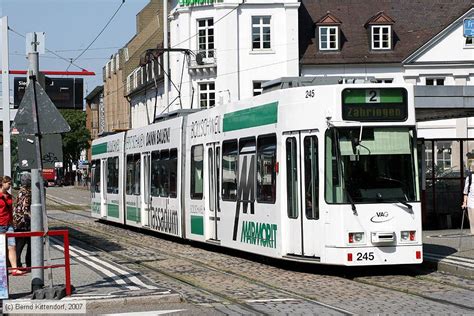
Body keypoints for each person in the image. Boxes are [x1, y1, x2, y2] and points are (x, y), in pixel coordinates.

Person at [0, 176, 25, 276]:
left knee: (12, 246)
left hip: (9, 224)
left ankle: (14, 269)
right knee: (1, 248)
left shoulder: (9, 196)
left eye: (10, 183)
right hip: (0, 224)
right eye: (8, 183)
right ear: (2, 183)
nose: (10, 185)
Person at [13, 173, 32, 270]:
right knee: (29, 244)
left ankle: (18, 264)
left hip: (18, 221)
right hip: (25, 223)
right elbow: (26, 208)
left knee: (19, 244)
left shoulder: (20, 191)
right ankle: (28, 264)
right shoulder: (28, 192)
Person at [461, 170, 474, 235]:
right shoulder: (469, 178)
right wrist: (464, 203)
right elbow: (465, 192)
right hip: (471, 201)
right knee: (472, 220)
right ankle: (473, 232)